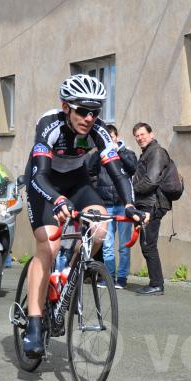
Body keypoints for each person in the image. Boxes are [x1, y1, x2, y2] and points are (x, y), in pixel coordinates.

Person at [22, 74, 147, 358]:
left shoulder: (98, 130)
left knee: (99, 228)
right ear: (66, 107)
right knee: (48, 247)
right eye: (82, 110)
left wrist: (129, 205)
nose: (89, 118)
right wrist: (57, 200)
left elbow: (117, 172)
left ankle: (70, 276)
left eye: (95, 112)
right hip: (44, 182)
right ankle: (34, 322)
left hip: (76, 182)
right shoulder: (49, 125)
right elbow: (39, 175)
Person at [85, 124, 138, 289]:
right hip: (106, 204)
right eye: (106, 138)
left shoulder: (127, 152)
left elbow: (133, 168)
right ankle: (108, 277)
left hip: (123, 204)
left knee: (124, 245)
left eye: (111, 137)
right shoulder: (99, 154)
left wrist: (119, 152)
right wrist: (98, 151)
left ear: (117, 137)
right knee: (107, 245)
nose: (109, 140)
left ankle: (122, 278)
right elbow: (89, 171)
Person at [131, 122, 170, 296]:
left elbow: (151, 180)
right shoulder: (148, 152)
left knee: (148, 244)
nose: (140, 138)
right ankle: (156, 283)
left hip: (152, 204)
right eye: (137, 136)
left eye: (143, 134)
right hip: (148, 203)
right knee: (147, 244)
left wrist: (132, 190)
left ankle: (156, 284)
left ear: (151, 134)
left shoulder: (156, 152)